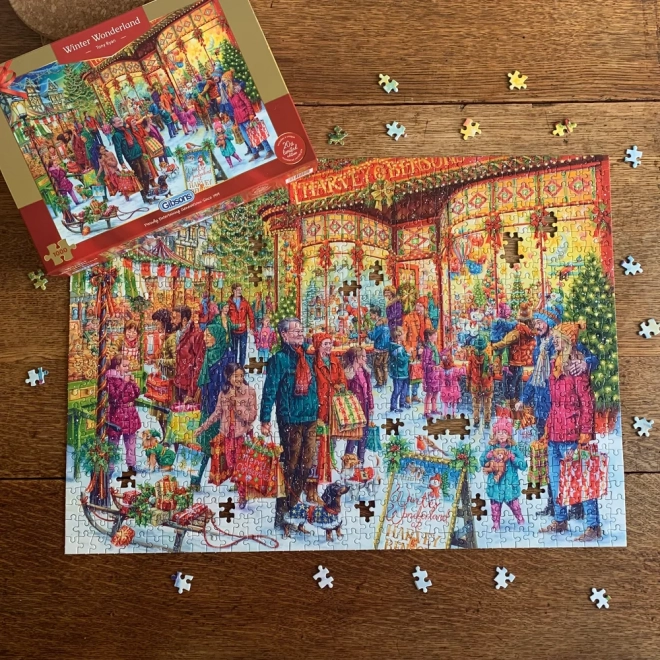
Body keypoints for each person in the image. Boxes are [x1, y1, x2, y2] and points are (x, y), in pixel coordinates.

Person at [516, 298, 596, 519]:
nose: (537, 325)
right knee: (549, 462)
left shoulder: (562, 343)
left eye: (541, 322)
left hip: (564, 414)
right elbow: (535, 378)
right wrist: (524, 399)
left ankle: (576, 507)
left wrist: (586, 363)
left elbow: (591, 357)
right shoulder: (539, 349)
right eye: (536, 322)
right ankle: (554, 504)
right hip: (545, 413)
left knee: (570, 462)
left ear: (551, 324)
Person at [540, 321, 601, 542]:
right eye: (554, 338)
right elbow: (554, 404)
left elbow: (587, 403)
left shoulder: (577, 367)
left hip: (573, 434)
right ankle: (560, 520)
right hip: (555, 433)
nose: (554, 341)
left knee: (582, 479)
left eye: (558, 338)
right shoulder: (554, 364)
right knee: (556, 480)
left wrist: (585, 433)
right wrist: (547, 428)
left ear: (568, 341)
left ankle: (593, 526)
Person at [260, 318, 319, 531]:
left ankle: (293, 510)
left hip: (310, 418)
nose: (300, 333)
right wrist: (265, 419)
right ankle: (282, 515)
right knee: (290, 467)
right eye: (295, 331)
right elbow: (269, 390)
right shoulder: (279, 360)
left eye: (301, 330)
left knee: (306, 466)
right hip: (290, 420)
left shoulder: (308, 357)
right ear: (284, 335)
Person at [195, 363, 257, 508]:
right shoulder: (224, 393)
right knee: (231, 465)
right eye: (235, 376)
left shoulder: (250, 392)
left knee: (241, 466)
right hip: (228, 436)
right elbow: (217, 413)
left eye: (241, 376)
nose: (239, 379)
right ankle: (242, 489)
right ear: (228, 377)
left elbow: (252, 416)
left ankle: (243, 495)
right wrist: (202, 428)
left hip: (243, 436)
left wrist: (237, 406)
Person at [191, 305, 236, 490]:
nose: (205, 338)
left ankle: (236, 480)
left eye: (209, 336)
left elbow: (236, 382)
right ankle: (195, 481)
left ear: (217, 337)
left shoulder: (228, 357)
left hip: (224, 410)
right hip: (207, 407)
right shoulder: (208, 355)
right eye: (205, 335)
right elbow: (203, 381)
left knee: (229, 445)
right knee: (203, 443)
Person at [309, 332, 346, 501]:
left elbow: (342, 379)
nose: (329, 346)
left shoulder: (335, 360)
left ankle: (330, 465)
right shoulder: (313, 363)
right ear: (318, 346)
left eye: (330, 343)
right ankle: (314, 482)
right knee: (317, 445)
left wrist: (340, 386)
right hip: (319, 409)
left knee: (332, 439)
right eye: (325, 344)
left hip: (333, 407)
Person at [479, 417, 527, 531]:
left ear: (509, 435)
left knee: (514, 505)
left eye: (504, 432)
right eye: (499, 432)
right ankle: (496, 523)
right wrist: (487, 457)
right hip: (495, 485)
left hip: (510, 485)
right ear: (495, 434)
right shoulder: (491, 447)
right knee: (495, 505)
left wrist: (513, 458)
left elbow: (523, 465)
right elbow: (482, 461)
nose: (501, 435)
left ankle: (520, 519)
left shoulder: (513, 448)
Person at [491, 302, 536, 408]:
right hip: (520, 364)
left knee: (508, 391)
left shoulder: (517, 331)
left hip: (512, 364)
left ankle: (511, 411)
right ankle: (518, 411)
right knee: (518, 389)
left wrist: (493, 346)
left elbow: (504, 342)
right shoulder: (529, 331)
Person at [223, 72, 274, 161]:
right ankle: (255, 153)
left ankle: (269, 150)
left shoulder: (237, 89)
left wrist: (251, 114)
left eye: (224, 80)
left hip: (246, 115)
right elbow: (234, 108)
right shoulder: (228, 92)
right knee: (247, 138)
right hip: (239, 118)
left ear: (229, 79)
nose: (224, 82)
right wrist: (236, 120)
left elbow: (247, 101)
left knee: (256, 133)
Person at [107, 354, 141, 473]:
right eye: (125, 366)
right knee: (113, 442)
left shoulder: (127, 378)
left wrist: (133, 382)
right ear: (117, 367)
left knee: (130, 441)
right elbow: (114, 396)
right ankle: (110, 467)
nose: (128, 368)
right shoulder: (111, 379)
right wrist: (124, 383)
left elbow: (137, 394)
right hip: (117, 414)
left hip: (130, 414)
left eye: (128, 366)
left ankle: (131, 465)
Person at [110, 116, 153, 204]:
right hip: (132, 158)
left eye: (119, 119)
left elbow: (135, 140)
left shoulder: (127, 130)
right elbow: (118, 149)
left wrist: (141, 150)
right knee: (140, 177)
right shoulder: (116, 136)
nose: (119, 121)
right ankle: (145, 196)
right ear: (113, 124)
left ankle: (148, 191)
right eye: (117, 121)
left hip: (139, 154)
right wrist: (121, 162)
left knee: (146, 173)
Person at [343, 347, 373, 465]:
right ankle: (347, 462)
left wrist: (371, 406)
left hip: (364, 406)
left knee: (363, 435)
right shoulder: (348, 374)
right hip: (354, 409)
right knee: (353, 436)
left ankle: (361, 461)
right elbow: (345, 393)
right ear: (356, 358)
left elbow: (369, 391)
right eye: (363, 356)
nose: (366, 358)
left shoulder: (365, 371)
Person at [171, 305, 206, 403]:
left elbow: (199, 365)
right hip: (178, 384)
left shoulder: (196, 335)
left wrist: (191, 392)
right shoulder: (178, 335)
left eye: (174, 318)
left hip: (189, 388)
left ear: (184, 320)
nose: (172, 321)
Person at [403, 299, 432, 403]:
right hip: (411, 349)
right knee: (408, 373)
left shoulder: (427, 320)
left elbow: (430, 336)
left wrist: (425, 348)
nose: (418, 308)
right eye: (417, 305)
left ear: (425, 308)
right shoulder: (409, 317)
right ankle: (406, 395)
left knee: (418, 373)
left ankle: (414, 395)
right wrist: (407, 348)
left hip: (422, 350)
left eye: (421, 306)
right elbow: (403, 334)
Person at [467, 333, 493, 430]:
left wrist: (468, 383)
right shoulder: (488, 357)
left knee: (476, 405)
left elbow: (468, 372)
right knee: (487, 405)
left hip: (475, 384)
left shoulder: (471, 358)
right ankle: (487, 422)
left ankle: (476, 422)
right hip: (487, 385)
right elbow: (492, 373)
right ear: (485, 347)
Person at [227, 284, 255, 368]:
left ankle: (241, 367)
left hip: (243, 331)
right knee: (234, 350)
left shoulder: (245, 302)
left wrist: (252, 327)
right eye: (238, 289)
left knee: (243, 351)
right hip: (233, 331)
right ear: (233, 291)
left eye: (241, 289)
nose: (240, 291)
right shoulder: (229, 303)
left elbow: (251, 315)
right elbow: (225, 316)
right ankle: (234, 368)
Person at [367, 306, 390, 390]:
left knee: (377, 366)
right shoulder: (385, 323)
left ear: (376, 314)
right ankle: (385, 381)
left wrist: (368, 332)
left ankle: (380, 382)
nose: (370, 317)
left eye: (371, 315)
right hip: (386, 349)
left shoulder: (378, 324)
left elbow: (373, 337)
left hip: (379, 349)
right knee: (384, 365)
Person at [388, 327, 410, 413]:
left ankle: (402, 403)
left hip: (403, 372)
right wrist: (408, 354)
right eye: (403, 334)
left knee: (404, 388)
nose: (404, 336)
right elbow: (401, 361)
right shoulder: (397, 348)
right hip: (399, 373)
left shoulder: (398, 346)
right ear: (398, 336)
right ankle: (393, 406)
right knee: (397, 390)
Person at [421, 329, 441, 416]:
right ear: (429, 337)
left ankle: (434, 409)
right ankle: (426, 411)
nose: (436, 336)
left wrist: (447, 349)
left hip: (436, 374)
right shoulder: (427, 349)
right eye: (435, 335)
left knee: (436, 392)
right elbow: (424, 364)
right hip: (430, 375)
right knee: (429, 393)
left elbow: (438, 356)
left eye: (436, 334)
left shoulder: (434, 347)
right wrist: (433, 367)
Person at [439, 352, 465, 417]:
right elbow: (462, 372)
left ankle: (444, 414)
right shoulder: (455, 369)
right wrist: (463, 367)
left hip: (444, 390)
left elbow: (438, 377)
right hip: (454, 390)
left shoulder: (441, 370)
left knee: (445, 403)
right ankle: (453, 414)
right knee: (454, 402)